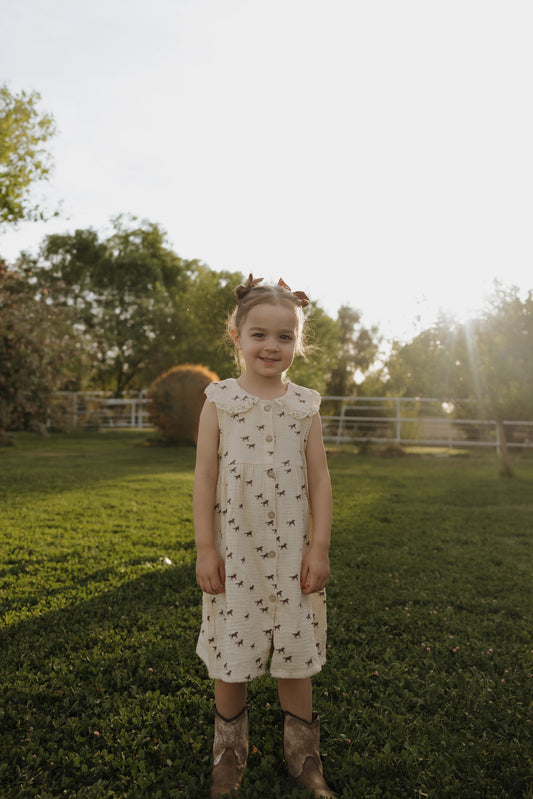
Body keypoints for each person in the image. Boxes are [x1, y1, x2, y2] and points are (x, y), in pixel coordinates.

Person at [193, 275, 336, 798]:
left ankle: (304, 758)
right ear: (236, 337)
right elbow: (204, 476)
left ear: (298, 343)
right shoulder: (221, 400)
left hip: (292, 553)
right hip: (237, 549)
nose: (271, 346)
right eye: (259, 334)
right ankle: (229, 753)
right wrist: (206, 548)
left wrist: (318, 548)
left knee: (294, 649)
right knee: (234, 648)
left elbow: (319, 479)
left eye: (284, 336)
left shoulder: (304, 406)